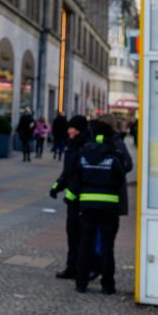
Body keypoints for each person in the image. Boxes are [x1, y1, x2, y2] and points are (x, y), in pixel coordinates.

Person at [68, 121, 128, 295]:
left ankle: (81, 283)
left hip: (87, 206)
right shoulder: (114, 155)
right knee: (108, 246)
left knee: (85, 243)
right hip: (109, 207)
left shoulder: (84, 154)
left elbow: (76, 179)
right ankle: (107, 285)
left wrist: (70, 199)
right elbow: (120, 178)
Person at [50, 115, 90, 280]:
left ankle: (80, 269)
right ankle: (72, 267)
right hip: (73, 198)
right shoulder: (72, 146)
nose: (68, 130)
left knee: (79, 234)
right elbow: (67, 173)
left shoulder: (83, 148)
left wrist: (70, 193)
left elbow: (79, 175)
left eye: (71, 127)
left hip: (81, 199)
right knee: (72, 233)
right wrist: (56, 186)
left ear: (78, 129)